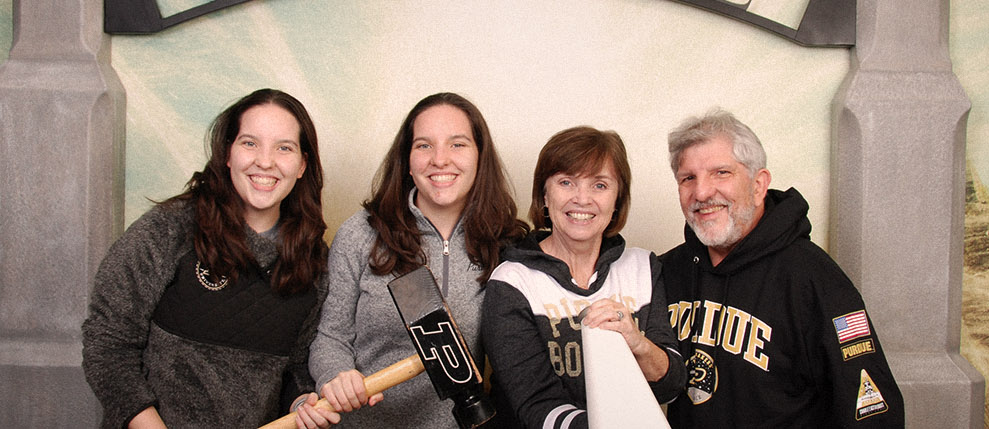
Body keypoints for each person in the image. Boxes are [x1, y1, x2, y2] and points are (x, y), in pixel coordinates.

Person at [81, 89, 332, 428]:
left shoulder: (315, 261)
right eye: (250, 143)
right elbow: (107, 343)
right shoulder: (169, 228)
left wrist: (303, 402)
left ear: (302, 165)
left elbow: (298, 369)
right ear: (227, 153)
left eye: (284, 148)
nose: (266, 161)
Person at [661, 109, 904, 428]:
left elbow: (872, 413)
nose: (702, 192)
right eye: (688, 178)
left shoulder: (814, 277)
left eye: (721, 173)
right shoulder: (667, 272)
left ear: (759, 185)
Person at [304, 92, 528, 427]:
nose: (440, 159)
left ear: (480, 157)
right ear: (406, 160)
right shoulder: (362, 233)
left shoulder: (507, 245)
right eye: (424, 145)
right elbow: (331, 335)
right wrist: (335, 375)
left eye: (457, 144)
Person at [483, 126, 686, 428]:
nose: (582, 199)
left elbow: (669, 386)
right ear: (545, 195)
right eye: (566, 182)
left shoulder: (643, 266)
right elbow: (535, 405)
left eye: (600, 185)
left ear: (618, 199)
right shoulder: (512, 281)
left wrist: (638, 343)